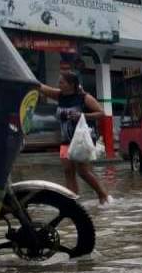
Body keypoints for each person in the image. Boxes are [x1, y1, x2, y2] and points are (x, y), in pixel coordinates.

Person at [39, 71, 112, 205]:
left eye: (62, 82)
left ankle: (103, 195)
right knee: (68, 170)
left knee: (83, 171)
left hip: (81, 140)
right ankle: (73, 201)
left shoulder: (84, 98)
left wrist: (82, 115)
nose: (58, 84)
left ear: (71, 84)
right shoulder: (59, 95)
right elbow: (40, 87)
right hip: (65, 139)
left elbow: (101, 113)